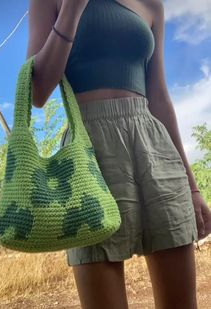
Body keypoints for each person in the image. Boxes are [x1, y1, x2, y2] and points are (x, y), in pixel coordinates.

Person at [26, 1, 211, 308]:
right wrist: (72, 9)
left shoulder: (152, 5)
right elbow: (38, 91)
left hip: (153, 145)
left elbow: (160, 96)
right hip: (87, 154)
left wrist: (192, 188)